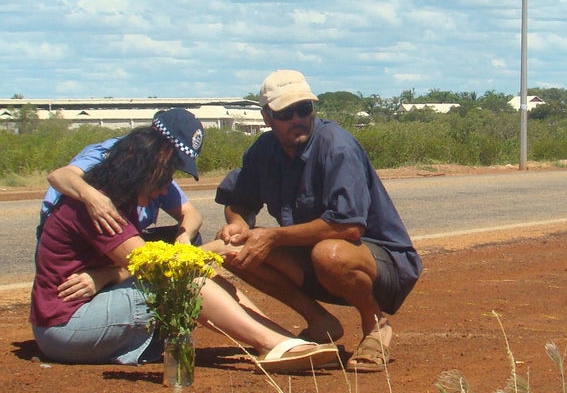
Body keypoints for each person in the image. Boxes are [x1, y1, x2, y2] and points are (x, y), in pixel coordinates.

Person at [31, 116, 339, 371]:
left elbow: (171, 234)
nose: (165, 188)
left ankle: (286, 342)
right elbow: (157, 264)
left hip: (90, 306)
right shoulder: (97, 208)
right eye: (164, 177)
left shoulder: (117, 198)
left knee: (208, 280)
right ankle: (271, 345)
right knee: (182, 281)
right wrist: (218, 250)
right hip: (65, 326)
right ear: (142, 168)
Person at [214, 69, 423, 372]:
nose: (297, 118)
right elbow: (240, 202)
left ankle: (375, 325)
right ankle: (319, 322)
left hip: (379, 262)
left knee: (329, 253)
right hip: (315, 259)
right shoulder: (263, 151)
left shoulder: (336, 147)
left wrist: (274, 237)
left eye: (304, 108)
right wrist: (238, 224)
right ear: (267, 118)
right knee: (233, 251)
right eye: (286, 112)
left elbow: (348, 226)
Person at [38, 109, 204, 245]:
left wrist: (183, 238)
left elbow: (192, 215)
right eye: (174, 158)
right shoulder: (115, 154)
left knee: (191, 239)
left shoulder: (157, 176)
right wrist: (94, 199)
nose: (173, 167)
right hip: (80, 240)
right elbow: (59, 176)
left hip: (123, 236)